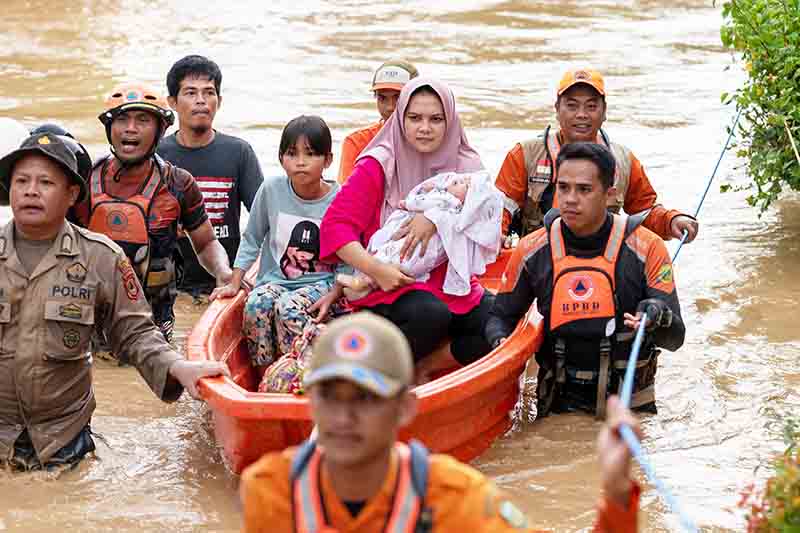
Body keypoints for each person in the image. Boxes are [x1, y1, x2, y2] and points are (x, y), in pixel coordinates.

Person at [239, 312, 641, 532]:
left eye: (366, 398)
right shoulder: (270, 492)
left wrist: (617, 494)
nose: (344, 418)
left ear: (405, 408)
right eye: (329, 397)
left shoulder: (455, 499)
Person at [0, 133, 228, 470]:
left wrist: (177, 367)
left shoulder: (101, 257)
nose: (31, 191)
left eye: (45, 182)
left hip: (63, 441)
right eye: (22, 181)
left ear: (72, 194)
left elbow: (135, 332)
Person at [486, 142, 686, 418]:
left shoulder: (648, 247)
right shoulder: (532, 249)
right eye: (563, 187)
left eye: (584, 189)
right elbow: (500, 317)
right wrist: (501, 344)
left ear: (609, 194)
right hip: (558, 405)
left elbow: (676, 338)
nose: (570, 199)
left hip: (629, 407)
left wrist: (657, 315)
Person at [320, 77, 493, 382]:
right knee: (430, 315)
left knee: (498, 320)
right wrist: (377, 270)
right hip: (390, 282)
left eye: (436, 119)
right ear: (401, 119)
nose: (424, 128)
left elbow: (487, 223)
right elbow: (335, 227)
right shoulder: (379, 163)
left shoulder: (468, 167)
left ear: (450, 121)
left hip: (451, 282)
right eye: (414, 118)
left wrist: (435, 218)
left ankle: (425, 368)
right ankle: (377, 377)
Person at [71, 82, 232, 342]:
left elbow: (206, 244)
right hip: (88, 321)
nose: (130, 128)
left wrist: (223, 273)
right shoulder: (82, 181)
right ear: (109, 128)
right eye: (121, 120)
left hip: (152, 325)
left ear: (160, 130)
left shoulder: (178, 184)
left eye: (143, 120)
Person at [495, 68, 699, 244]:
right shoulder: (524, 155)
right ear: (557, 109)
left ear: (604, 112)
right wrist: (497, 237)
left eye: (591, 106)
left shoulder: (624, 160)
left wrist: (672, 221)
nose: (581, 114)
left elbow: (644, 211)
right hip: (538, 258)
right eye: (572, 105)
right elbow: (498, 210)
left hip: (603, 260)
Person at [210, 116, 345, 369]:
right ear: (281, 158)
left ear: (327, 160)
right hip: (275, 281)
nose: (301, 162)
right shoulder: (271, 190)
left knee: (287, 307)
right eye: (292, 154)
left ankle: (299, 370)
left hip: (322, 284)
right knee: (256, 303)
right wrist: (235, 282)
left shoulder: (340, 199)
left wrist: (335, 293)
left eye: (311, 154)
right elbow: (252, 238)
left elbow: (349, 257)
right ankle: (266, 373)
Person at [158, 55, 265, 297]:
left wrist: (248, 273)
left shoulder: (238, 152)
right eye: (190, 93)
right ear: (172, 102)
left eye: (209, 92)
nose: (201, 100)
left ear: (219, 101)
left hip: (226, 280)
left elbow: (264, 221)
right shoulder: (158, 155)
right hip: (171, 285)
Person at [338, 170, 502, 300]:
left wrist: (409, 204)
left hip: (416, 249)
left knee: (390, 256)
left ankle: (363, 282)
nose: (459, 179)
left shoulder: (447, 200)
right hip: (423, 257)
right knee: (395, 263)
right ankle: (365, 284)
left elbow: (422, 202)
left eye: (465, 184)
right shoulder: (457, 213)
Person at [336, 60, 419, 184]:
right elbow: (347, 192)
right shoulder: (357, 142)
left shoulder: (428, 139)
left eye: (398, 97)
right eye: (382, 98)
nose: (390, 107)